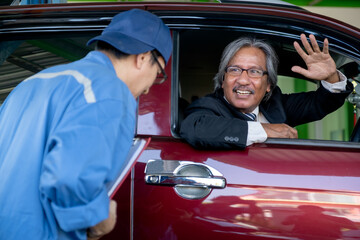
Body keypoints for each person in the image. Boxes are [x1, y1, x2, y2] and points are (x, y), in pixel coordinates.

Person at [0, 9, 172, 240]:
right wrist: (99, 218)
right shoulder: (110, 91)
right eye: (158, 73)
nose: (150, 87)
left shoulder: (32, 83)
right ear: (142, 58)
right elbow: (70, 179)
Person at [180, 34, 353, 149]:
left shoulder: (276, 104)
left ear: (269, 83)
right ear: (223, 79)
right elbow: (194, 128)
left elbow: (320, 103)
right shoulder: (209, 106)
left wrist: (330, 76)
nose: (242, 80)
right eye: (234, 70)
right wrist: (263, 130)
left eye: (254, 71)